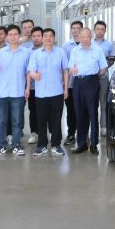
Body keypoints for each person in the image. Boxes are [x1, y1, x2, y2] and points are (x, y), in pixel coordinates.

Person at [27, 27, 69, 156]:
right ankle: (42, 145)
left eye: (51, 36)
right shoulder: (36, 54)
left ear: (54, 38)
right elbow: (31, 71)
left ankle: (56, 144)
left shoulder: (61, 52)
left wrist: (66, 89)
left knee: (56, 119)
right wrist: (35, 75)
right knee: (41, 120)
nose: (48, 38)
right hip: (41, 93)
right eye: (45, 36)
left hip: (57, 92)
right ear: (42, 38)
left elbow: (65, 71)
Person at [0, 25, 31, 155]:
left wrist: (27, 88)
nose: (13, 37)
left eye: (15, 34)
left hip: (18, 91)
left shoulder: (26, 52)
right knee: (1, 121)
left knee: (17, 121)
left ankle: (16, 145)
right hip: (2, 92)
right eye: (10, 35)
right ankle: (1, 145)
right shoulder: (0, 52)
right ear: (7, 37)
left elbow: (28, 72)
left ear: (19, 36)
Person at [69, 27, 107, 154]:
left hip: (92, 82)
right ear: (79, 37)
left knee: (92, 113)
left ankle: (94, 144)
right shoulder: (75, 50)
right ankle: (81, 144)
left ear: (91, 37)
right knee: (79, 114)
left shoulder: (97, 50)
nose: (85, 39)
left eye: (87, 36)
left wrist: (95, 76)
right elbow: (70, 67)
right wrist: (72, 70)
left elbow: (104, 67)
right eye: (83, 37)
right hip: (78, 82)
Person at [62, 20, 84, 145]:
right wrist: (63, 84)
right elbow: (64, 67)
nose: (75, 30)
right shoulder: (65, 46)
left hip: (84, 84)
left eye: (78, 28)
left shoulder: (87, 45)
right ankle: (71, 134)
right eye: (73, 28)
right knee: (70, 110)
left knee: (83, 110)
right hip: (70, 84)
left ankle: (83, 134)